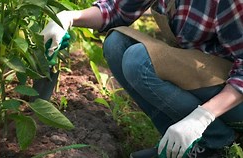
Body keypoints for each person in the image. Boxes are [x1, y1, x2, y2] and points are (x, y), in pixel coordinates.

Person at [41, 0, 243, 157]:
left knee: (139, 61)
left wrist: (201, 118)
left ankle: (214, 140)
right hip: (201, 71)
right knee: (116, 44)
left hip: (232, 95)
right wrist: (68, 17)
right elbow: (115, 10)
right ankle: (175, 146)